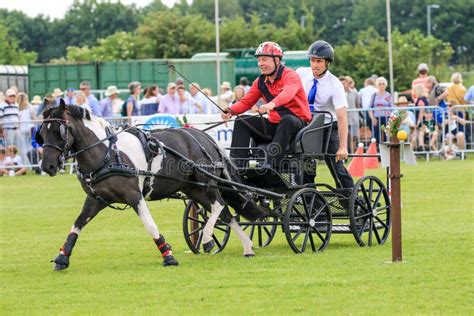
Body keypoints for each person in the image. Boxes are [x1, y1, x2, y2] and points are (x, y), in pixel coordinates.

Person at [222, 41, 311, 169]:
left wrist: (272, 104)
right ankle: (236, 167)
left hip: (298, 126)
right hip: (275, 126)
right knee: (242, 121)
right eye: (259, 60)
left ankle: (270, 166)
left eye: (264, 60)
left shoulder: (291, 75)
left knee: (287, 120)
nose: (260, 64)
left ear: (277, 60)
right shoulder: (260, 82)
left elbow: (288, 94)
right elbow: (246, 102)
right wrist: (230, 110)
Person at [296, 40, 353, 189]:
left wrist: (343, 147)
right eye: (313, 60)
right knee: (305, 165)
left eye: (319, 61)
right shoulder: (301, 73)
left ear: (327, 62)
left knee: (337, 167)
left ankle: (351, 200)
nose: (315, 65)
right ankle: (310, 201)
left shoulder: (335, 84)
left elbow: (341, 116)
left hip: (328, 127)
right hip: (307, 126)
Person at [368, 76, 392, 144]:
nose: (381, 85)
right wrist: (372, 118)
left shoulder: (388, 95)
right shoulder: (374, 95)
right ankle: (377, 151)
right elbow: (370, 108)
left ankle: (385, 151)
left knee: (386, 136)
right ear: (377, 85)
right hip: (376, 117)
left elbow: (392, 107)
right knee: (376, 136)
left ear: (386, 85)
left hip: (386, 117)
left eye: (383, 83)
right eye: (379, 84)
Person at [339, 76, 360, 153]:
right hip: (342, 119)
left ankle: (353, 154)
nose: (343, 85)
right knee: (344, 137)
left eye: (344, 83)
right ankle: (345, 153)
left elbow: (358, 104)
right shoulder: (337, 94)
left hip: (353, 118)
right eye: (341, 83)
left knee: (354, 137)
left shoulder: (354, 93)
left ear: (347, 84)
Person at [16, 92, 34, 165]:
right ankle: (31, 163)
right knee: (30, 147)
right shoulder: (29, 106)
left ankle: (26, 164)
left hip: (21, 129)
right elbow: (33, 116)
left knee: (23, 148)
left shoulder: (16, 106)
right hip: (29, 128)